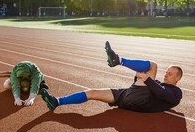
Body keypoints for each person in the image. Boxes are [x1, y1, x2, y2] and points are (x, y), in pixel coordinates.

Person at [41, 41, 183, 113]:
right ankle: (57, 102)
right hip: (126, 96)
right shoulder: (158, 83)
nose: (166, 74)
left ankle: (118, 60)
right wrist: (142, 78)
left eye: (170, 74)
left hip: (141, 102)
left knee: (153, 66)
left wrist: (145, 79)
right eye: (167, 72)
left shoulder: (176, 93)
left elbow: (162, 94)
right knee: (92, 93)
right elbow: (146, 85)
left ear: (178, 78)